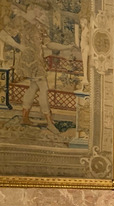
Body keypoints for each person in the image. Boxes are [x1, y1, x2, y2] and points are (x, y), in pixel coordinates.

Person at [0, 3, 75, 134]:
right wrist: (18, 46)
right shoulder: (20, 21)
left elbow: (49, 44)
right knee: (44, 87)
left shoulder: (40, 26)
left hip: (38, 61)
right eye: (39, 10)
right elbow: (3, 34)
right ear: (32, 9)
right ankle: (49, 122)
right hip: (28, 60)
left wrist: (66, 47)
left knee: (34, 87)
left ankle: (25, 117)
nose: (41, 12)